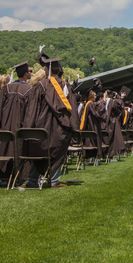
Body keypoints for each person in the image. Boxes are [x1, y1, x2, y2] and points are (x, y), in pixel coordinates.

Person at [23, 56, 78, 188]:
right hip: (61, 126)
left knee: (38, 150)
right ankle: (54, 181)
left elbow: (32, 109)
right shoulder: (65, 86)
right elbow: (73, 108)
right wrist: (74, 127)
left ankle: (32, 180)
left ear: (46, 70)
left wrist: (28, 126)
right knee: (58, 151)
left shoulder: (40, 85)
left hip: (42, 125)